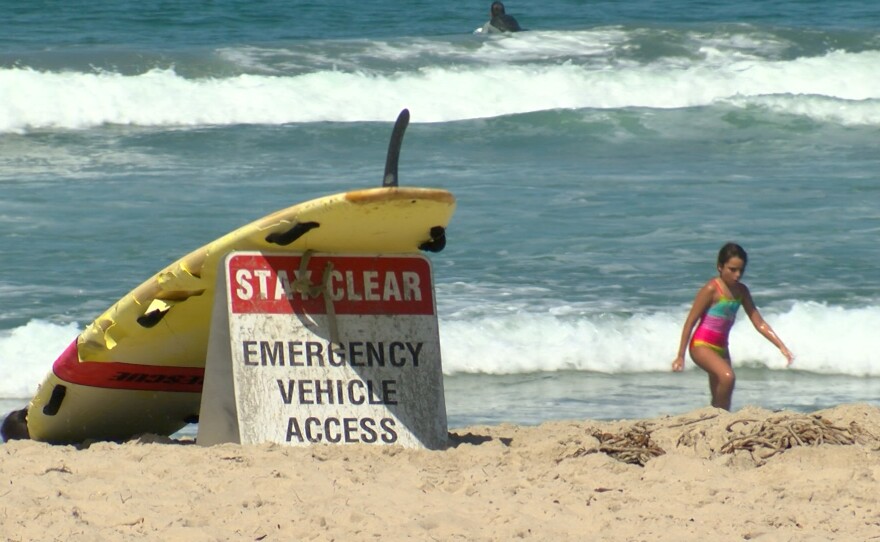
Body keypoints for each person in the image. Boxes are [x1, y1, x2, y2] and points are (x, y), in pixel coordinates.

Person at [672, 243, 794, 410]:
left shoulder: (742, 291)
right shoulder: (711, 289)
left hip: (722, 348)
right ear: (720, 267)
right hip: (701, 346)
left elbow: (759, 322)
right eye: (732, 269)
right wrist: (680, 355)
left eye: (741, 271)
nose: (737, 275)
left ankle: (716, 422)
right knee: (728, 377)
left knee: (722, 398)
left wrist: (781, 346)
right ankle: (718, 420)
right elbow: (690, 322)